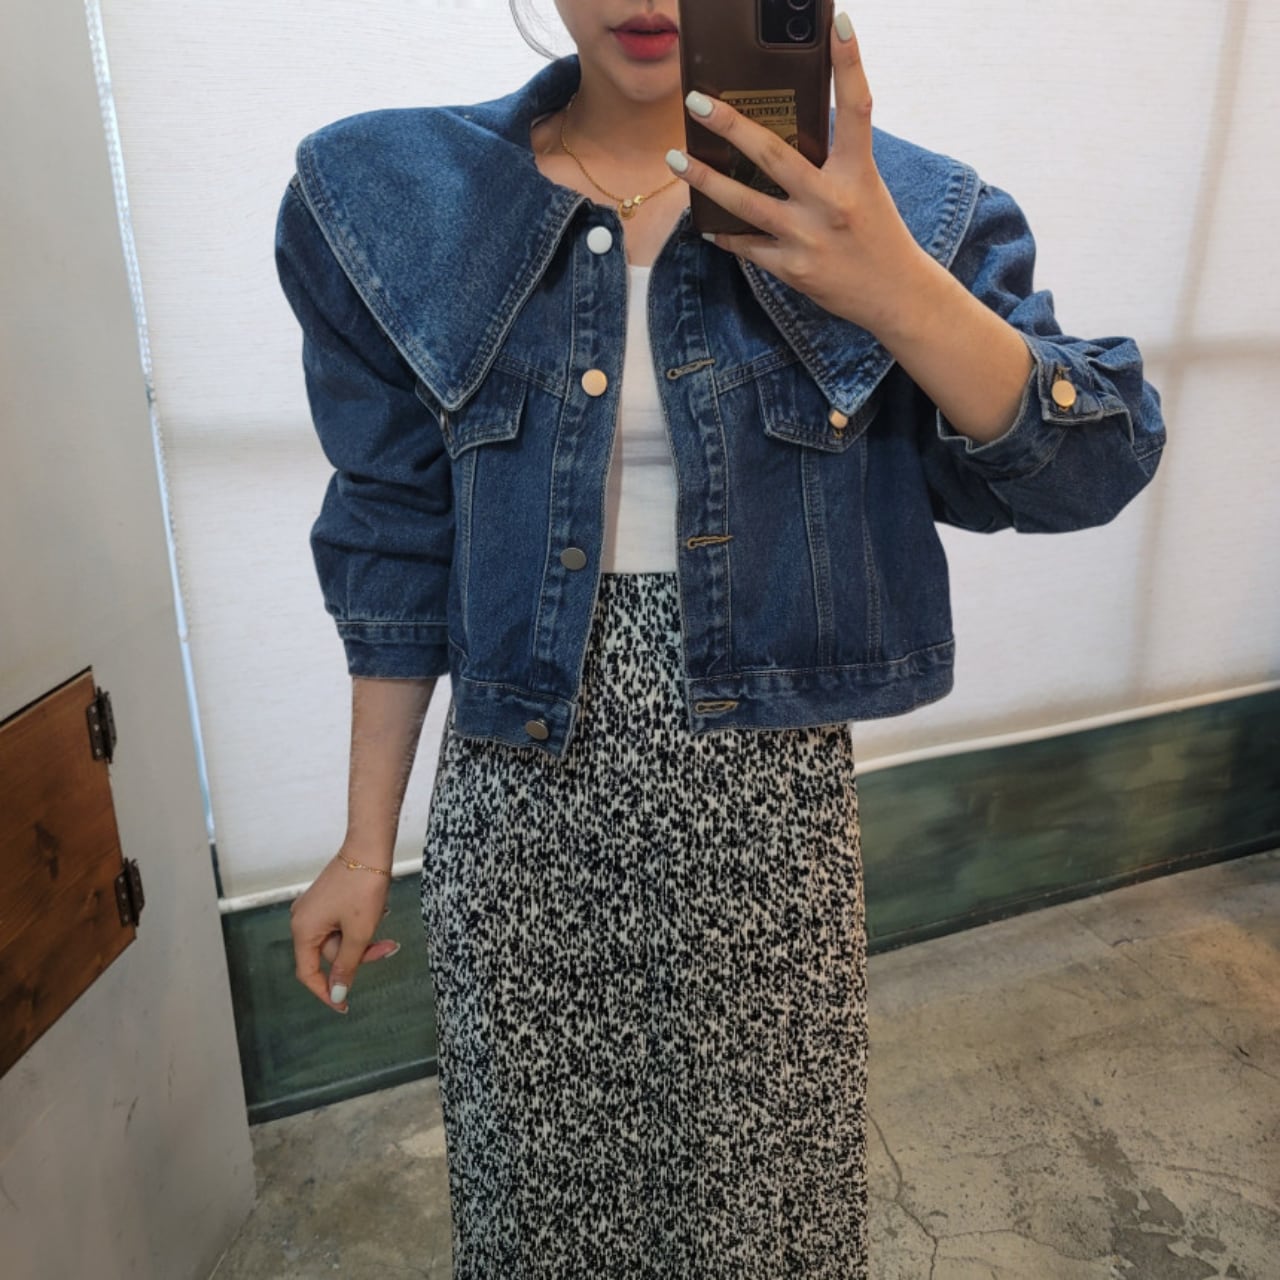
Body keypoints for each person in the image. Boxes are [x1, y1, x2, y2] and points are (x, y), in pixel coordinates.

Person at [276, 2, 1165, 1276]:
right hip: (517, 798)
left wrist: (893, 284)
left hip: (765, 799)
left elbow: (1093, 465)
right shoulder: (410, 206)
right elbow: (394, 530)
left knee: (764, 1210)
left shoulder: (893, 209)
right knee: (541, 1206)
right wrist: (366, 845)